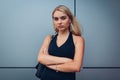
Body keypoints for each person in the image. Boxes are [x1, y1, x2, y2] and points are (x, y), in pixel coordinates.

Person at [37, 5, 84, 80]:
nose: (59, 22)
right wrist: (66, 61)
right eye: (56, 19)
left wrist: (50, 64)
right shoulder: (49, 38)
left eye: (63, 18)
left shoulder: (78, 40)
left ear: (70, 19)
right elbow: (40, 58)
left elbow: (76, 67)